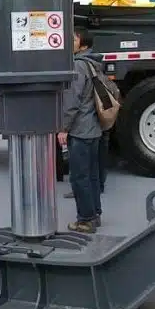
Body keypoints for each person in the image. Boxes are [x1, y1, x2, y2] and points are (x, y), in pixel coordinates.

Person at [57, 28, 103, 233]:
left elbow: (72, 101)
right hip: (94, 128)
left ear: (83, 45)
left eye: (74, 39)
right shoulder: (94, 63)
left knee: (78, 177)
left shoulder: (78, 65)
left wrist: (63, 128)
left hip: (80, 129)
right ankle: (95, 214)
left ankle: (85, 220)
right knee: (92, 175)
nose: (70, 41)